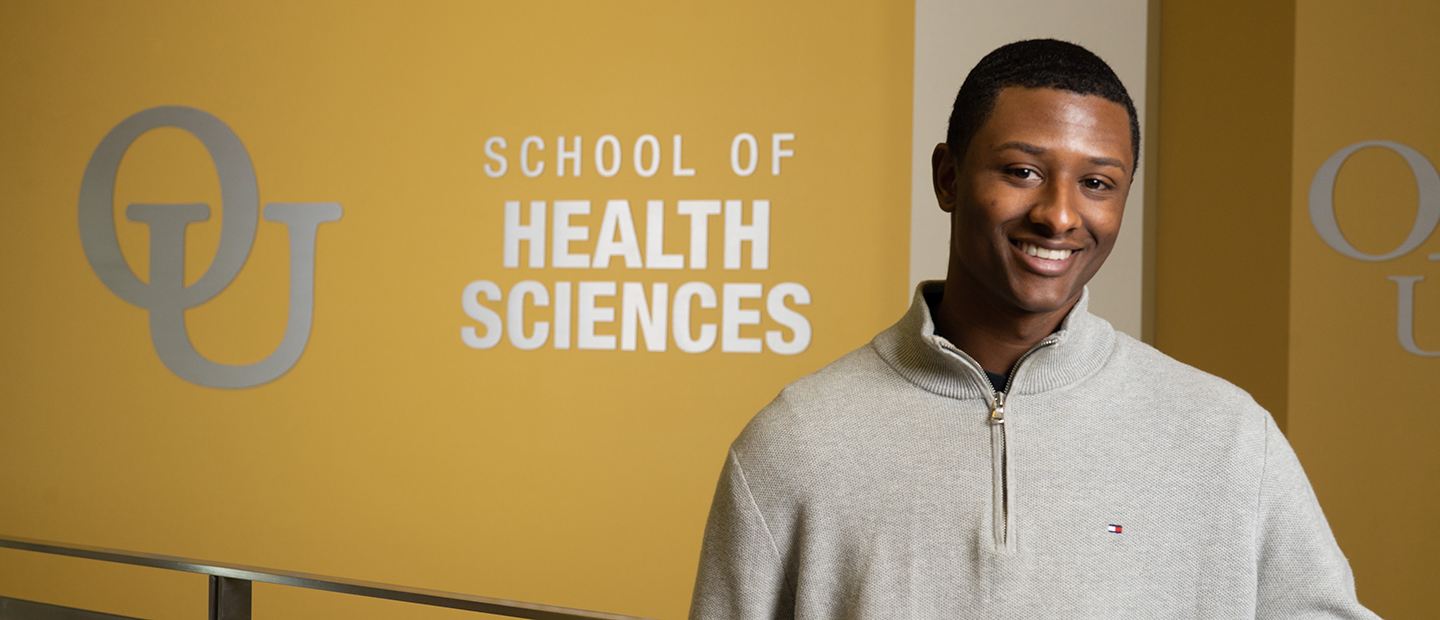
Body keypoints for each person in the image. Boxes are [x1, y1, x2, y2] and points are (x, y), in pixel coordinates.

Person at [688, 39, 1380, 619]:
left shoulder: (1227, 436)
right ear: (948, 177)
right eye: (1022, 171)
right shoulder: (797, 440)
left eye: (1098, 184)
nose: (1058, 215)